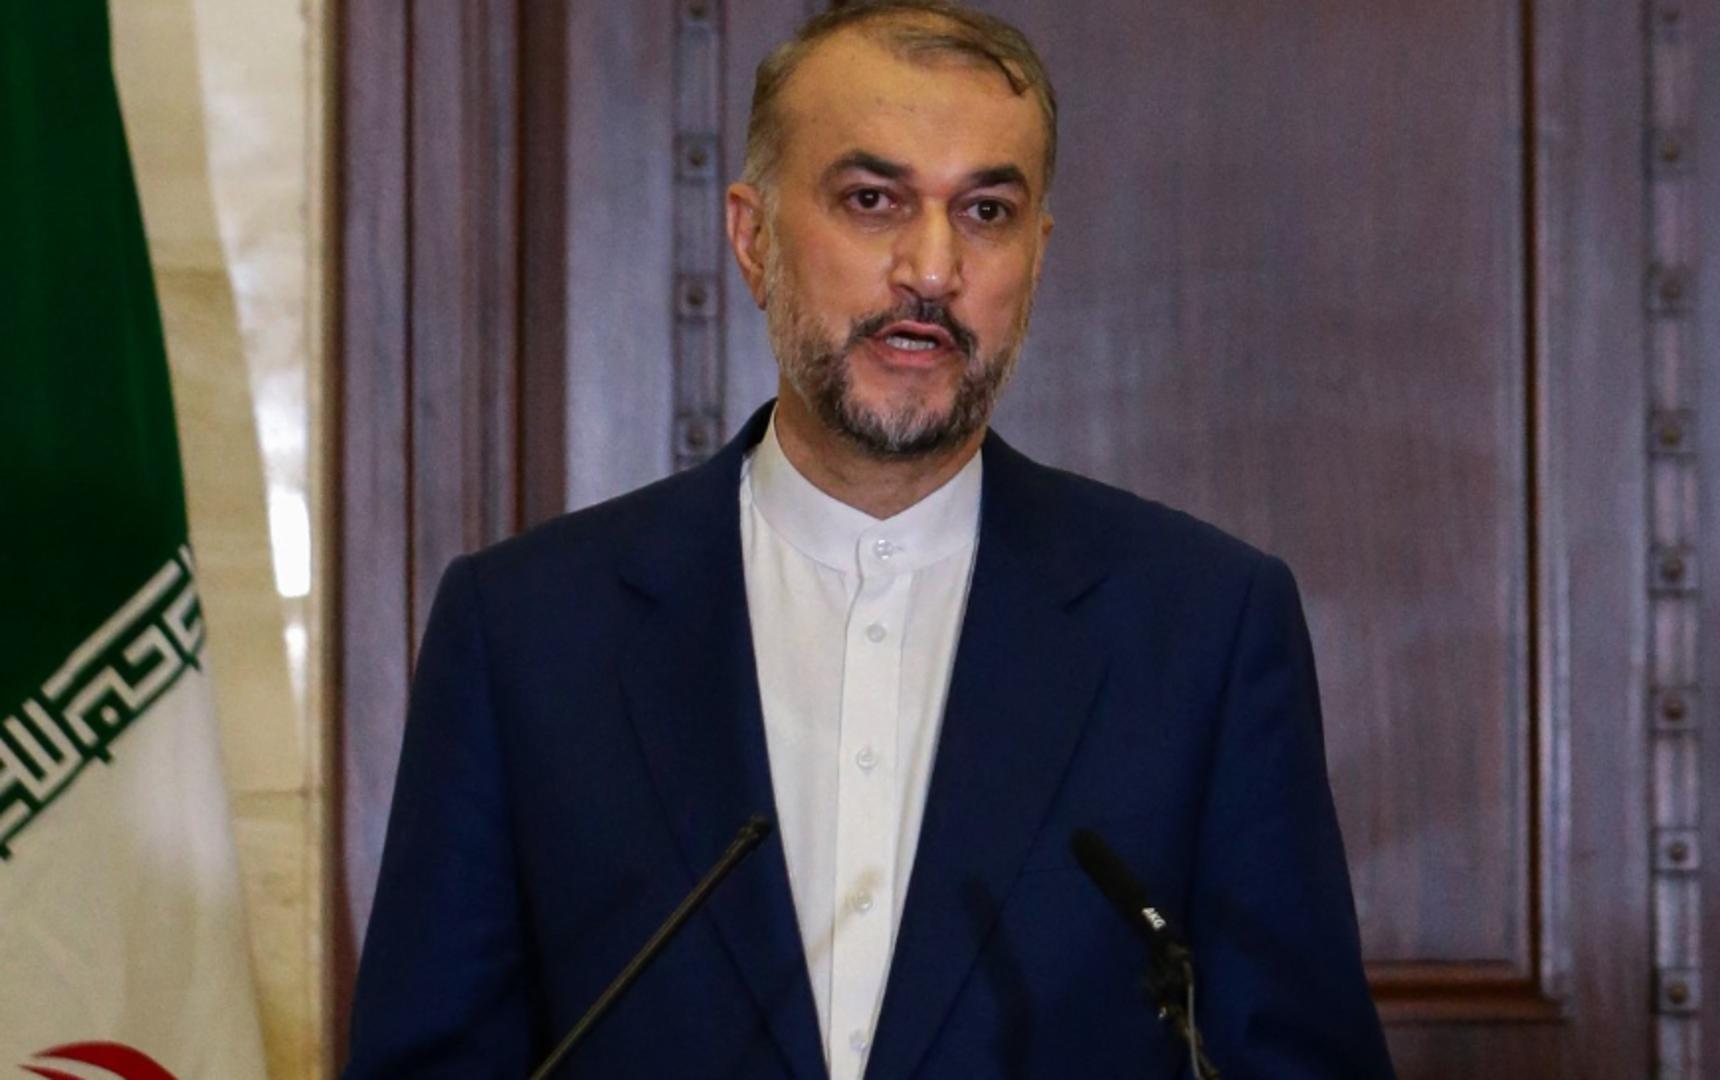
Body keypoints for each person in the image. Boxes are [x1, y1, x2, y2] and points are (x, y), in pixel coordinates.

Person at [342, 2, 1395, 1077]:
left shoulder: (1201, 630)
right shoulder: (527, 633)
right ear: (753, 239)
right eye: (872, 200)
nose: (931, 270)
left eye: (985, 211)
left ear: (1035, 258)